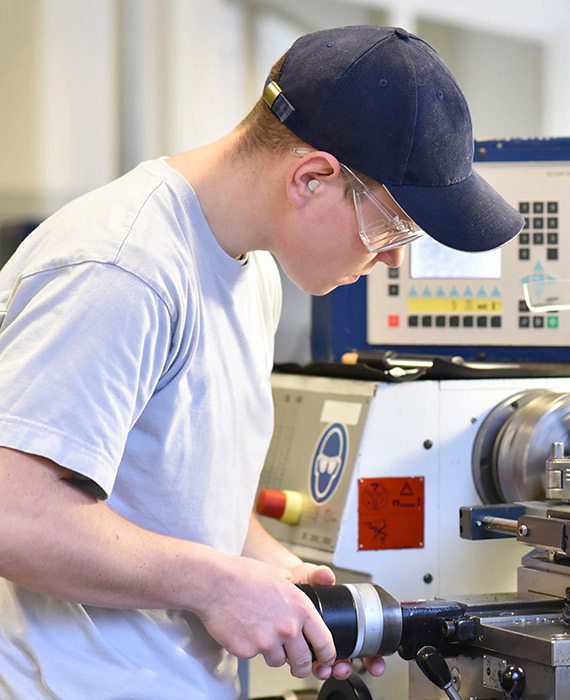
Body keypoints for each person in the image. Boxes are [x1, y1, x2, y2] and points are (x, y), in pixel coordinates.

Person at [0, 25, 522, 698]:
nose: (395, 258)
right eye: (392, 228)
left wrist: (274, 575)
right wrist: (218, 585)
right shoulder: (123, 268)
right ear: (312, 178)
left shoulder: (253, 272)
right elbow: (15, 514)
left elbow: (171, 489)